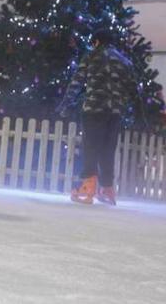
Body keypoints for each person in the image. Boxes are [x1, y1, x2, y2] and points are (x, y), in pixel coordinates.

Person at [58, 31, 136, 205]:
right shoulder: (124, 61)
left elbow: (77, 81)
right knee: (108, 149)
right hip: (115, 112)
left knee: (91, 146)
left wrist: (65, 103)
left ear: (98, 41)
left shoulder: (92, 56)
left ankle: (88, 187)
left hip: (94, 108)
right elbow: (132, 89)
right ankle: (107, 189)